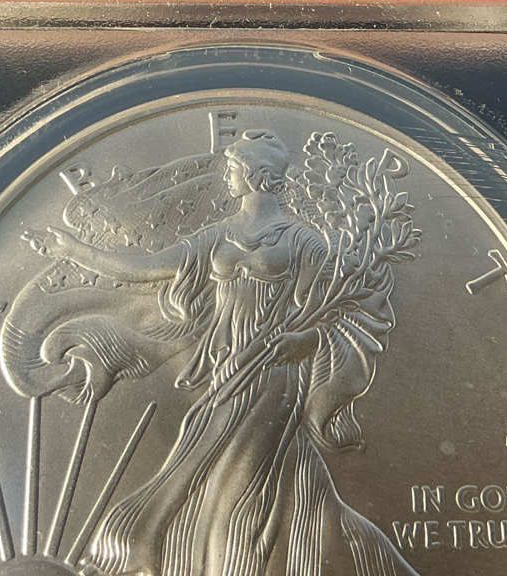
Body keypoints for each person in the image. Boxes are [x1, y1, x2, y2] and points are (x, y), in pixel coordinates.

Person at [23, 129, 417, 576]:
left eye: (233, 167)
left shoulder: (303, 241)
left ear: (258, 175)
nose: (227, 175)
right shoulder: (218, 235)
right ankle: (154, 551)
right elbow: (147, 269)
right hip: (225, 369)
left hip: (273, 374)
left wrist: (301, 343)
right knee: (213, 464)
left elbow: (326, 316)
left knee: (234, 478)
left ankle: (206, 560)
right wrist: (73, 250)